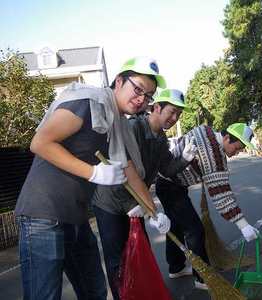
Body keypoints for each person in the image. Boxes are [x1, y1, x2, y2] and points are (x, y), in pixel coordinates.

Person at [14, 56, 170, 300]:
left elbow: (128, 170)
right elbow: (40, 143)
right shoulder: (89, 103)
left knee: (94, 290)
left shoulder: (117, 124)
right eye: (137, 89)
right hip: (42, 214)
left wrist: (154, 213)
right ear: (119, 81)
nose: (141, 99)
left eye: (148, 96)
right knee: (43, 295)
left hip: (76, 218)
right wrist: (94, 172)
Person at [92, 88, 197, 299]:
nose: (174, 118)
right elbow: (120, 167)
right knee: (118, 261)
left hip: (137, 202)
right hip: (110, 203)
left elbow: (166, 170)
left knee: (141, 254)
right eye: (172, 112)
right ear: (157, 107)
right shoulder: (132, 128)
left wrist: (184, 159)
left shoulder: (160, 139)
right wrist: (133, 204)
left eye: (178, 115)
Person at [155, 123, 259, 290]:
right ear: (226, 138)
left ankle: (176, 268)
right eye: (236, 148)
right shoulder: (214, 156)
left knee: (175, 227)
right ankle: (202, 278)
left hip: (167, 184)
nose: (236, 153)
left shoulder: (206, 131)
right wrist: (243, 225)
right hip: (170, 187)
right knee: (195, 230)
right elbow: (222, 195)